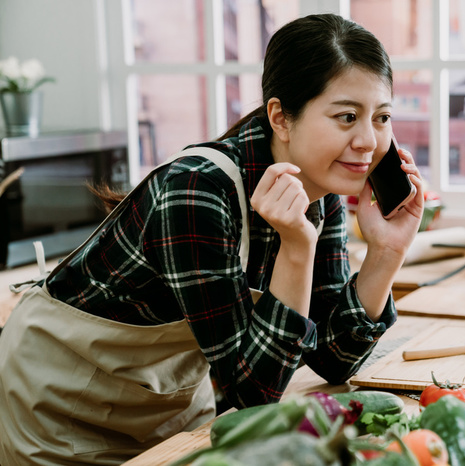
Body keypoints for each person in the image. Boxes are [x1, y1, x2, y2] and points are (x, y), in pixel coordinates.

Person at [0, 13, 423, 466]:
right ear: (280, 117)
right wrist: (296, 250)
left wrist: (386, 252)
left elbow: (333, 359)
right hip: (59, 412)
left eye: (382, 117)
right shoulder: (197, 190)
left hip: (165, 415)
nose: (368, 140)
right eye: (346, 117)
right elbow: (254, 393)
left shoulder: (324, 191)